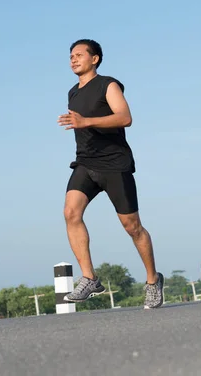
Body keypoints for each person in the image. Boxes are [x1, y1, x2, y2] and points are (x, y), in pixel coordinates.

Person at [57, 39, 164, 309]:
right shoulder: (73, 92)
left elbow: (125, 117)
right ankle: (90, 278)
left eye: (79, 55)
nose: (73, 59)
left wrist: (86, 121)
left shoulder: (108, 84)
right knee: (71, 213)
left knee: (132, 227)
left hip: (115, 164)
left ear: (95, 59)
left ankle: (153, 280)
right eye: (71, 56)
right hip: (85, 163)